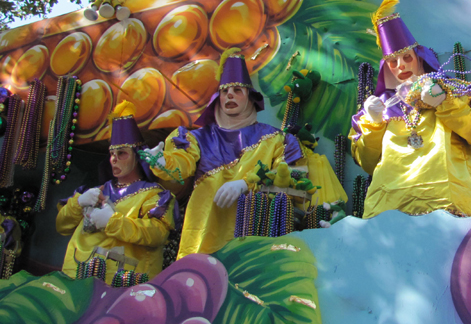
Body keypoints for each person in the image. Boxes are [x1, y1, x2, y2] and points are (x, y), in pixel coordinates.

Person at [349, 0, 471, 218]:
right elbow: (368, 163)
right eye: (393, 62)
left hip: (445, 202)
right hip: (388, 209)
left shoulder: (457, 91)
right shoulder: (380, 107)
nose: (401, 66)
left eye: (406, 57)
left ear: (419, 57)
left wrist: (446, 102)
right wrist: (374, 124)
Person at [146, 48, 301, 258]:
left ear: (250, 98)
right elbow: (182, 166)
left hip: (253, 239)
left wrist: (246, 184)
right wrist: (164, 162)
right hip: (205, 235)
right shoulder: (197, 138)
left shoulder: (275, 138)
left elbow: (293, 177)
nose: (230, 95)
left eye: (237, 90)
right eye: (225, 90)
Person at [56, 101, 176, 283]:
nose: (114, 159)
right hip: (77, 283)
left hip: (123, 287)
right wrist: (78, 203)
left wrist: (112, 222)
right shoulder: (93, 192)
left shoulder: (154, 195)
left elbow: (157, 234)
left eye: (122, 153)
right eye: (112, 154)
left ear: (137, 156)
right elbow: (62, 226)